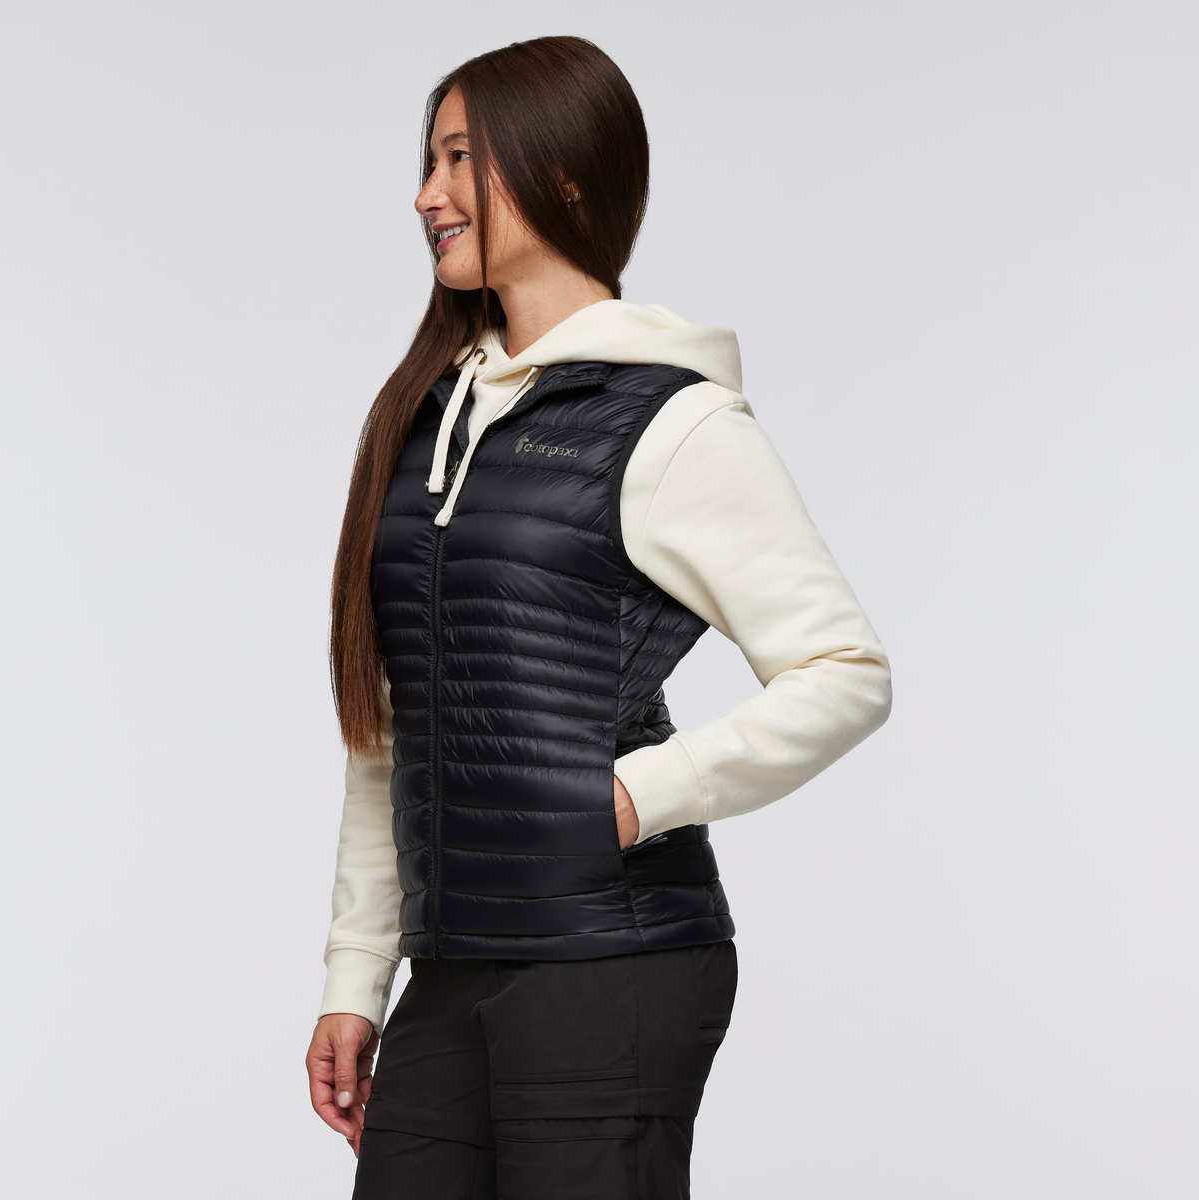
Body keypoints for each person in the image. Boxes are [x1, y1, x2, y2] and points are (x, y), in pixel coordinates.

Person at [304, 35, 891, 1199]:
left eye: (460, 159)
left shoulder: (672, 421)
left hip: (615, 961)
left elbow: (844, 669)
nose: (427, 196)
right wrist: (355, 975)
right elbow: (388, 730)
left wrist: (637, 797)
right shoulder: (423, 422)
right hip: (454, 962)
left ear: (565, 174)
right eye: (428, 161)